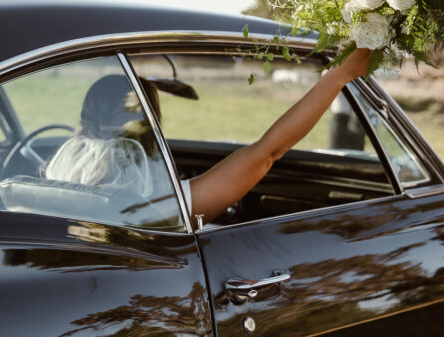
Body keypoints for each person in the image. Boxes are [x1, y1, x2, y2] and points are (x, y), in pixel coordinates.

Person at [45, 47, 374, 225]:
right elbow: (267, 153)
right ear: (149, 124)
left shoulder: (54, 178)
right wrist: (337, 78)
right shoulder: (151, 206)